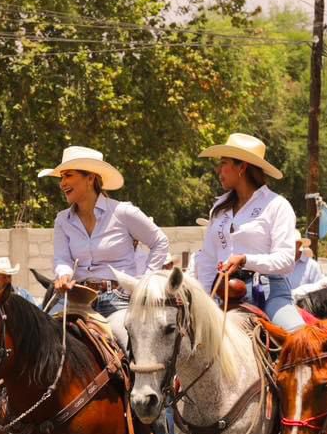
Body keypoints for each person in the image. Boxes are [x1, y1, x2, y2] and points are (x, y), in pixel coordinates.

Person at [41, 145, 169, 348]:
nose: (62, 183)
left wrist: (144, 284)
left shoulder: (123, 212)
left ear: (90, 178)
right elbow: (62, 259)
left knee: (130, 347)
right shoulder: (62, 220)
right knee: (40, 342)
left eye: (68, 176)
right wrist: (64, 275)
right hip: (77, 300)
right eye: (61, 177)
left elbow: (159, 242)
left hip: (118, 301)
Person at [193, 133, 305, 332]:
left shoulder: (277, 205)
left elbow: (287, 261)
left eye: (224, 163)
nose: (219, 170)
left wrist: (245, 260)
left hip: (270, 294)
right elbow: (208, 260)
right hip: (224, 293)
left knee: (300, 340)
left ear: (242, 167)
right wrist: (204, 301)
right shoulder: (219, 208)